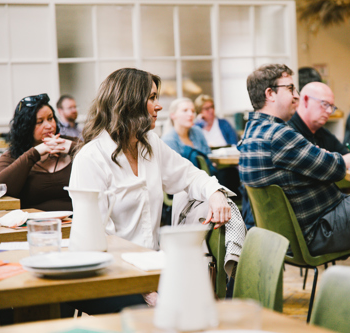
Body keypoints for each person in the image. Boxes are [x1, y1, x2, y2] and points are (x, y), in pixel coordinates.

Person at [238, 64, 350, 271]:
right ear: (270, 94)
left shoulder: (252, 132)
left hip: (295, 233)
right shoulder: (278, 134)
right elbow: (333, 168)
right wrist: (342, 159)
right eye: (291, 88)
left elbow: (320, 160)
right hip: (318, 230)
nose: (296, 96)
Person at [70, 68, 232, 250]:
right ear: (129, 103)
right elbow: (97, 238)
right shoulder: (90, 158)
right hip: (117, 268)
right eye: (152, 97)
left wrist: (215, 194)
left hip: (152, 263)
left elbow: (190, 176)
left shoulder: (151, 143)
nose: (159, 105)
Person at [0, 93, 76, 211]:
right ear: (26, 127)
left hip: (76, 222)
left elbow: (104, 162)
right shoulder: (13, 155)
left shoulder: (71, 144)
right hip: (33, 225)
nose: (49, 126)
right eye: (39, 121)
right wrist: (34, 153)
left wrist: (74, 148)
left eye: (50, 118)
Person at [289, 82, 350, 169]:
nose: (329, 111)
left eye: (331, 107)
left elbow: (348, 155)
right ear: (306, 100)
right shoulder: (288, 132)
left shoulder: (322, 133)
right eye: (324, 104)